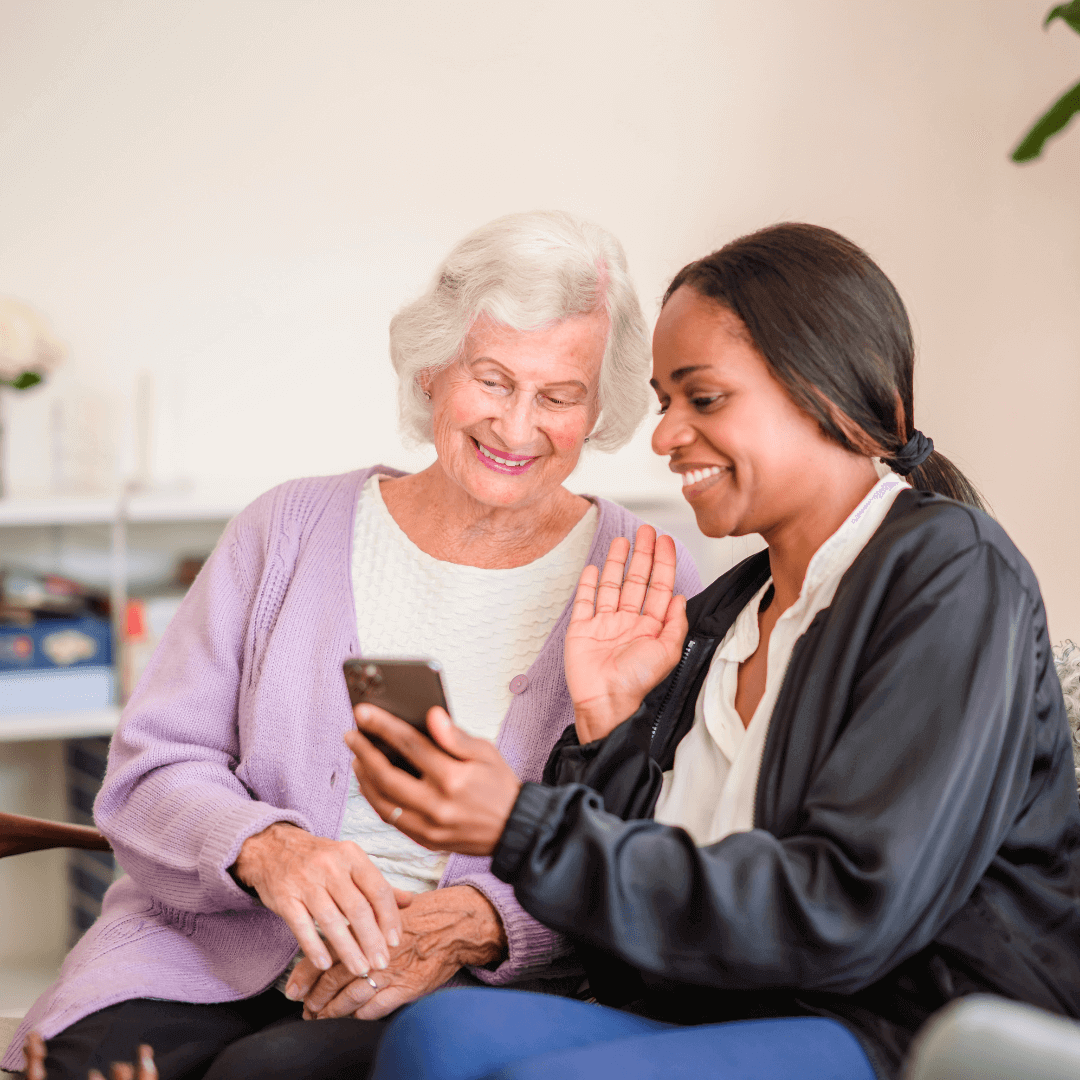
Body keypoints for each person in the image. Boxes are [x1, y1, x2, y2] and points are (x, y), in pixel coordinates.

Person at [349, 222, 1080, 1080]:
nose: (663, 437)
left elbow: (847, 913)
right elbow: (625, 937)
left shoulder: (953, 572)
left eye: (703, 398)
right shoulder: (724, 612)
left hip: (896, 1025)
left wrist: (517, 821)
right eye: (664, 402)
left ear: (827, 391)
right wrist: (610, 719)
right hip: (721, 1009)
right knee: (435, 1039)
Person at [1, 209, 701, 1080]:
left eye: (559, 396)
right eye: (491, 380)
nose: (518, 428)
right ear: (433, 371)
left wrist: (487, 921)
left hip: (457, 990)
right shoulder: (287, 528)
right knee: (81, 1067)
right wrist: (269, 848)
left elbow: (671, 845)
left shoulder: (654, 579)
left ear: (601, 409)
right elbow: (149, 770)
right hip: (210, 948)